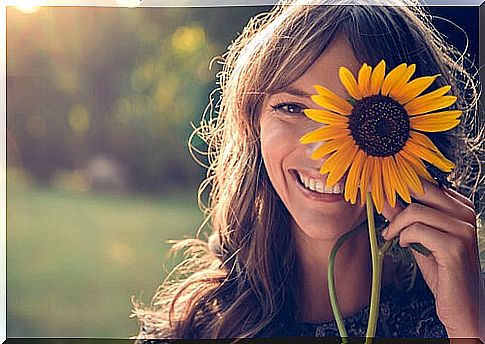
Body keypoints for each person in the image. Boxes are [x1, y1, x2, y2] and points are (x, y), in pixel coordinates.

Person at [132, 0, 484, 340]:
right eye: (292, 108)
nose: (324, 151)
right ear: (253, 125)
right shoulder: (191, 332)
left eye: (358, 113)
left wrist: (468, 328)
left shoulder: (458, 317)